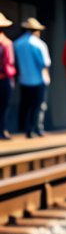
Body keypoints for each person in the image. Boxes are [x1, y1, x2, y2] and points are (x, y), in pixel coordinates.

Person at [14, 17, 51, 137]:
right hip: (38, 79)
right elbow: (45, 63)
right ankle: (37, 128)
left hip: (24, 80)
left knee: (26, 105)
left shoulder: (17, 43)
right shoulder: (39, 44)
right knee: (38, 106)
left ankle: (27, 129)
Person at [0, 12, 16, 140]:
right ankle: (3, 129)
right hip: (5, 79)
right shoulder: (6, 43)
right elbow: (8, 62)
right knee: (4, 106)